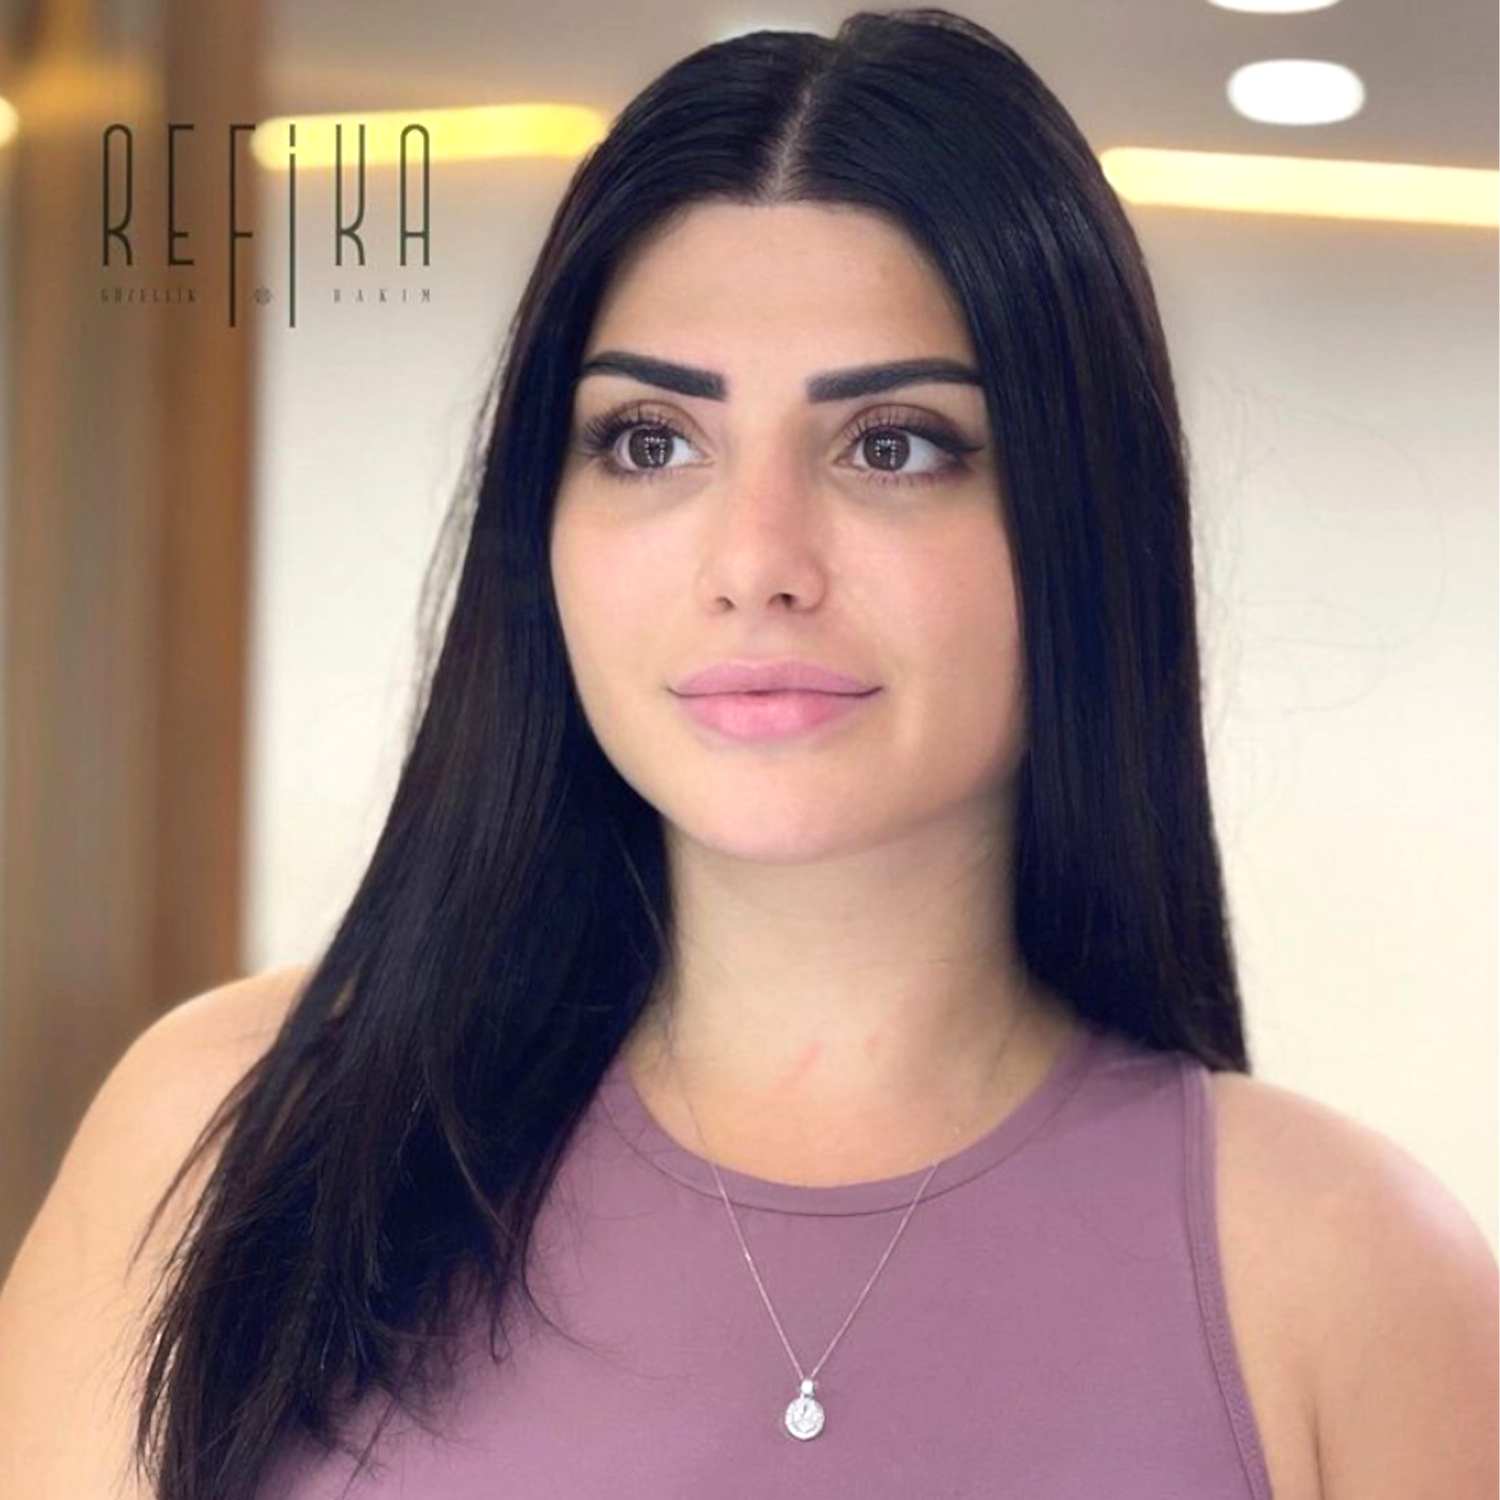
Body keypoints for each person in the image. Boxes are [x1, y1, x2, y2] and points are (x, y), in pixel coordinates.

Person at [1, 9, 1494, 1500]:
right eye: (651, 441)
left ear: (1081, 518)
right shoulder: (225, 1137)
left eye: (894, 444)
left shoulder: (1346, 1281)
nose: (755, 563)